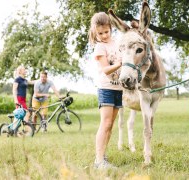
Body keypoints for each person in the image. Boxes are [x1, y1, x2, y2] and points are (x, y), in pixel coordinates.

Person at [88, 12, 123, 169]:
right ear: (95, 32)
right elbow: (106, 69)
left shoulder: (117, 43)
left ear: (111, 28)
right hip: (106, 88)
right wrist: (120, 64)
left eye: (106, 32)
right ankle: (99, 160)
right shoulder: (99, 46)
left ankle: (103, 156)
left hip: (118, 88)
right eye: (100, 33)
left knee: (111, 124)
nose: (103, 35)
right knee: (105, 123)